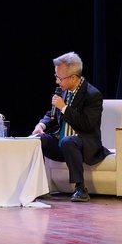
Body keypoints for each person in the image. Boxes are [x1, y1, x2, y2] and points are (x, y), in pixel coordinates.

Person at [31, 51, 112, 202]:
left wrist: (64, 108)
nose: (57, 82)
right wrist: (41, 124)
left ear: (73, 77)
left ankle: (80, 189)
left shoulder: (93, 95)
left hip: (83, 144)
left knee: (68, 141)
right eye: (56, 77)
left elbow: (87, 124)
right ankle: (38, 187)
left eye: (60, 78)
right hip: (62, 143)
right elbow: (52, 114)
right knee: (38, 139)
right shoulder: (63, 91)